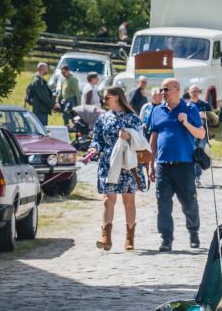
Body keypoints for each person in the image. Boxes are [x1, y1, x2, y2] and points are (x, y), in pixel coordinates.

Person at [84, 86, 147, 251]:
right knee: (107, 199)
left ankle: (129, 238)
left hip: (127, 164)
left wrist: (129, 136)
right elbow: (97, 139)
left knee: (128, 200)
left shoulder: (133, 118)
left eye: (106, 98)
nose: (104, 101)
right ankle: (106, 238)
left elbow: (141, 140)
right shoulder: (103, 118)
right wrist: (93, 149)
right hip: (108, 163)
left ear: (117, 97)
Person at [146, 80, 205, 251]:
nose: (162, 93)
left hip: (184, 165)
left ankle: (193, 232)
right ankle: (166, 239)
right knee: (163, 203)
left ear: (177, 90)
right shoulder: (157, 110)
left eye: (166, 89)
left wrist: (186, 123)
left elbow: (201, 134)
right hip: (163, 165)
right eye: (161, 90)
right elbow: (153, 139)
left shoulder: (190, 108)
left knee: (189, 203)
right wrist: (150, 164)